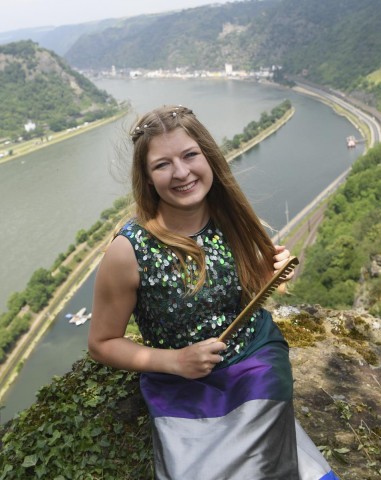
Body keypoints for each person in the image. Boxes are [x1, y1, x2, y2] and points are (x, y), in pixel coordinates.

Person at [88, 105, 339, 480]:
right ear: (147, 178)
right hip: (180, 385)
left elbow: (241, 292)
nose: (181, 172)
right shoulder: (129, 251)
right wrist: (175, 361)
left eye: (190, 155)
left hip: (255, 362)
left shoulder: (230, 218)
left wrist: (271, 272)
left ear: (209, 156)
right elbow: (101, 342)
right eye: (162, 164)